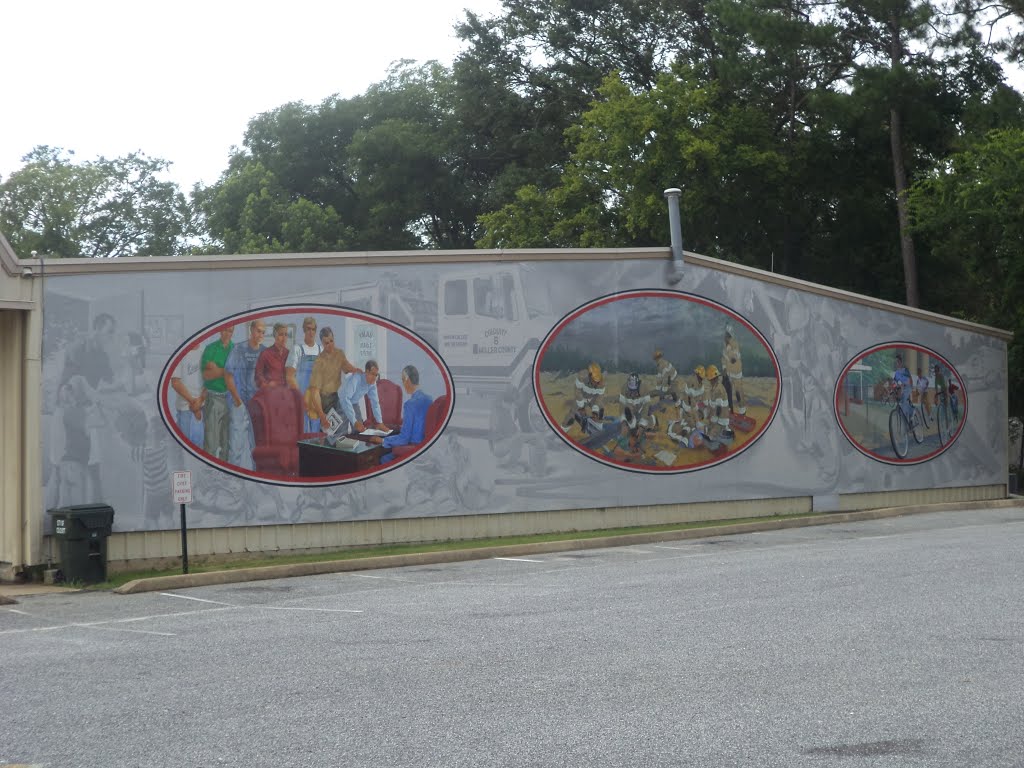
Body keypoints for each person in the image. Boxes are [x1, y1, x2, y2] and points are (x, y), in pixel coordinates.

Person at [224, 319, 266, 470]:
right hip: (239, 404)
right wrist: (236, 399)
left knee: (257, 448)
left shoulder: (264, 352)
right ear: (251, 330)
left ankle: (258, 480)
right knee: (236, 448)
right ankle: (231, 484)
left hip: (256, 406)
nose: (260, 334)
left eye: (263, 332)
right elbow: (228, 375)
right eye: (258, 331)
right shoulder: (238, 349)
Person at [367, 365, 433, 462]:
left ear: (407, 380)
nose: (403, 383)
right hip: (425, 447)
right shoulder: (429, 399)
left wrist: (382, 440)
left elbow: (404, 438)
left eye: (403, 380)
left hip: (412, 448)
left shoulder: (410, 405)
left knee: (382, 459)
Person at [306, 326, 361, 428]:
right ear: (322, 343)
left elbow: (346, 366)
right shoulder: (319, 362)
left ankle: (358, 434)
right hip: (325, 400)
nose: (330, 345)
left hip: (337, 396)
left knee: (350, 410)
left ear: (333, 338)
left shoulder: (339, 353)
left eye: (331, 341)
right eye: (326, 343)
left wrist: (357, 371)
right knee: (333, 430)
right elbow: (314, 392)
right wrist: (322, 416)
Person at [200, 327, 234, 460]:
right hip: (213, 398)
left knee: (227, 443)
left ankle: (223, 477)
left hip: (230, 398)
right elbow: (207, 375)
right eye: (226, 330)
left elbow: (236, 375)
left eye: (230, 331)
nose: (228, 333)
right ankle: (208, 475)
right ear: (220, 331)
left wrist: (217, 369)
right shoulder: (210, 348)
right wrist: (227, 371)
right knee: (211, 442)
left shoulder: (235, 350)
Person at [286, 316, 322, 432]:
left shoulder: (321, 350)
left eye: (313, 329)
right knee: (302, 434)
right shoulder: (297, 349)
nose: (311, 332)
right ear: (304, 330)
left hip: (316, 400)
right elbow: (290, 376)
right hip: (301, 399)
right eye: (308, 329)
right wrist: (301, 399)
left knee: (316, 434)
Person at [170, 339, 205, 447]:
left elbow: (211, 381)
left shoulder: (205, 352)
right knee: (184, 448)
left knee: (201, 449)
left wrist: (200, 401)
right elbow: (175, 382)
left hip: (203, 407)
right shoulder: (179, 353)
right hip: (185, 408)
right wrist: (193, 402)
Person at [339, 360, 385, 434]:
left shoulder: (372, 384)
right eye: (372, 374)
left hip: (353, 403)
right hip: (341, 402)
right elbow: (345, 398)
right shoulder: (356, 378)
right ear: (366, 371)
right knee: (341, 433)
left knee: (359, 431)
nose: (374, 378)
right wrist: (354, 421)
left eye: (376, 375)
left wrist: (380, 422)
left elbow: (375, 403)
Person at [564, 362, 606, 434]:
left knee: (600, 409)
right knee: (572, 414)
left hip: (592, 399)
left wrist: (595, 410)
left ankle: (599, 428)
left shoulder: (601, 382)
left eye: (597, 381)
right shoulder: (582, 376)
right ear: (589, 376)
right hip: (581, 397)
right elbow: (577, 391)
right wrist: (581, 405)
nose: (596, 384)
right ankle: (563, 430)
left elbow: (599, 397)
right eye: (594, 380)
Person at [255, 322, 290, 389]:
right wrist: (267, 385)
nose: (284, 338)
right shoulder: (265, 354)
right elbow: (258, 376)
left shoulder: (289, 354)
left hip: (286, 394)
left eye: (286, 334)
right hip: (270, 394)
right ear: (275, 335)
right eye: (281, 334)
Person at [721, 325, 746, 416]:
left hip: (736, 372)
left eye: (727, 335)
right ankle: (730, 411)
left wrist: (729, 351)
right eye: (725, 335)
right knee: (727, 392)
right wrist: (724, 368)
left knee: (738, 392)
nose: (725, 337)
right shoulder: (725, 346)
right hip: (728, 372)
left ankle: (742, 412)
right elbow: (723, 358)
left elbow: (733, 359)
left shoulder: (734, 344)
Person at [892, 352, 913, 421]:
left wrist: (902, 385)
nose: (896, 363)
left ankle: (912, 412)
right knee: (901, 402)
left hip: (908, 387)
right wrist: (892, 389)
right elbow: (894, 382)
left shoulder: (905, 370)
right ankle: (907, 414)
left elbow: (909, 380)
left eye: (897, 362)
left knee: (904, 402)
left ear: (900, 362)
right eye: (895, 362)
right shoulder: (897, 373)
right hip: (902, 388)